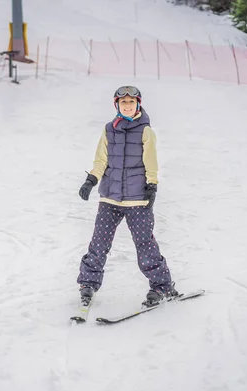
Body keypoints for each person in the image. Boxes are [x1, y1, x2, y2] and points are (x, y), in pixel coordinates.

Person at [76, 85, 177, 307]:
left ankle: (163, 286)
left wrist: (152, 185)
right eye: (124, 102)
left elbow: (151, 161)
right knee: (99, 243)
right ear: (117, 105)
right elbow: (101, 160)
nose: (128, 105)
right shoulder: (108, 130)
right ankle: (88, 284)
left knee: (145, 244)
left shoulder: (145, 131)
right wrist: (91, 180)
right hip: (109, 199)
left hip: (137, 200)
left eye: (131, 102)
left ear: (138, 104)